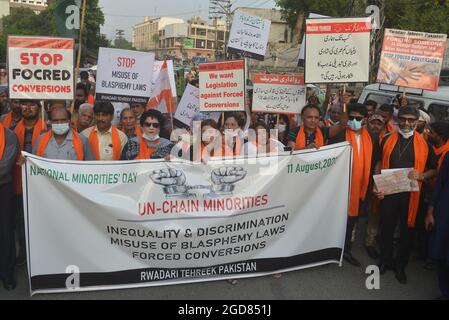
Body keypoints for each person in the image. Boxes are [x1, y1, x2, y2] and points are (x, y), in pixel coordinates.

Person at [374, 106, 438, 284]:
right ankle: (385, 261)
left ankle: (400, 265)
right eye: (403, 119)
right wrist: (376, 183)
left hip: (411, 196)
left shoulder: (425, 144)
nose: (407, 123)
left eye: (411, 120)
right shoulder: (386, 139)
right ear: (397, 119)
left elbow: (434, 168)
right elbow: (379, 161)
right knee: (386, 228)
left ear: (417, 122)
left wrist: (422, 175)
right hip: (389, 193)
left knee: (407, 232)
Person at [328, 104, 380, 266]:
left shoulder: (372, 137)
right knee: (334, 220)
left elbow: (377, 160)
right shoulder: (340, 135)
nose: (354, 121)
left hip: (360, 188)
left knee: (351, 222)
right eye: (351, 118)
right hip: (339, 187)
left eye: (358, 118)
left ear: (364, 120)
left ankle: (346, 251)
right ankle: (328, 252)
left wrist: (376, 181)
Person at [13, 100, 47, 265]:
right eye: (24, 104)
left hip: (42, 186)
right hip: (19, 182)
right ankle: (24, 254)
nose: (27, 108)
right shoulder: (12, 129)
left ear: (39, 107)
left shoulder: (47, 128)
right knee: (20, 220)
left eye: (32, 104)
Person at [425, 153, 449, 300]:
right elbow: (440, 182)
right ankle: (445, 292)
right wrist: (430, 211)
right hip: (444, 213)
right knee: (441, 254)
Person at [364, 113, 387, 259]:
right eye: (373, 123)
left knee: (374, 212)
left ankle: (370, 241)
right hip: (360, 178)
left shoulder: (385, 140)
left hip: (376, 179)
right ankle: (351, 240)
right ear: (367, 123)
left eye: (379, 124)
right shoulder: (360, 137)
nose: (375, 126)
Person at [0, 122, 19, 290]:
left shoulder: (9, 136)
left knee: (5, 232)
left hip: (3, 188)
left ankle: (7, 273)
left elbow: (4, 167)